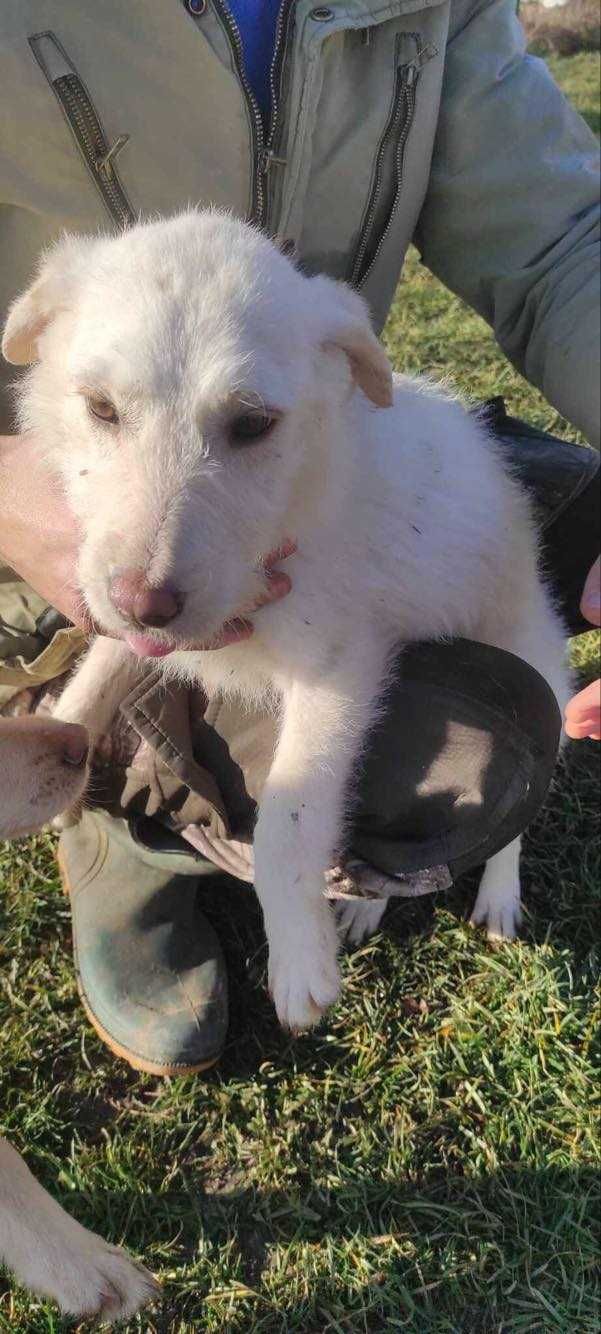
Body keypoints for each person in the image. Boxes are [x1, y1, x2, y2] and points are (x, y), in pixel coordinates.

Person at [0, 1, 599, 1075]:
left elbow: (563, 237)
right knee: (151, 607)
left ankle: (492, 862)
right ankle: (129, 835)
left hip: (383, 528)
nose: (148, 564)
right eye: (99, 406)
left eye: (250, 421)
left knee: (500, 713)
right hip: (33, 532)